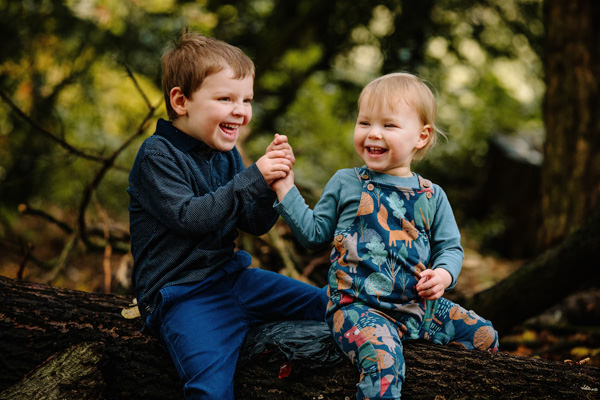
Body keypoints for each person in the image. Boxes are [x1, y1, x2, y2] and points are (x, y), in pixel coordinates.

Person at [271, 72, 498, 399]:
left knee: (484, 336)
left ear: (421, 137)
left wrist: (444, 275)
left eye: (388, 126)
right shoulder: (346, 182)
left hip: (420, 309)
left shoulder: (432, 196)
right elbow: (313, 234)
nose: (373, 133)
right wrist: (285, 188)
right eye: (364, 123)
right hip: (357, 308)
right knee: (382, 365)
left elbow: (450, 248)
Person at [127, 31, 327, 400]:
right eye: (226, 98)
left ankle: (410, 323)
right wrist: (253, 178)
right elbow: (191, 217)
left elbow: (254, 223)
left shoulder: (224, 154)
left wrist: (271, 187)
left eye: (247, 100)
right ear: (181, 100)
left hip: (234, 279)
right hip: (182, 296)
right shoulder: (157, 155)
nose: (241, 110)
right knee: (211, 391)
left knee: (329, 304)